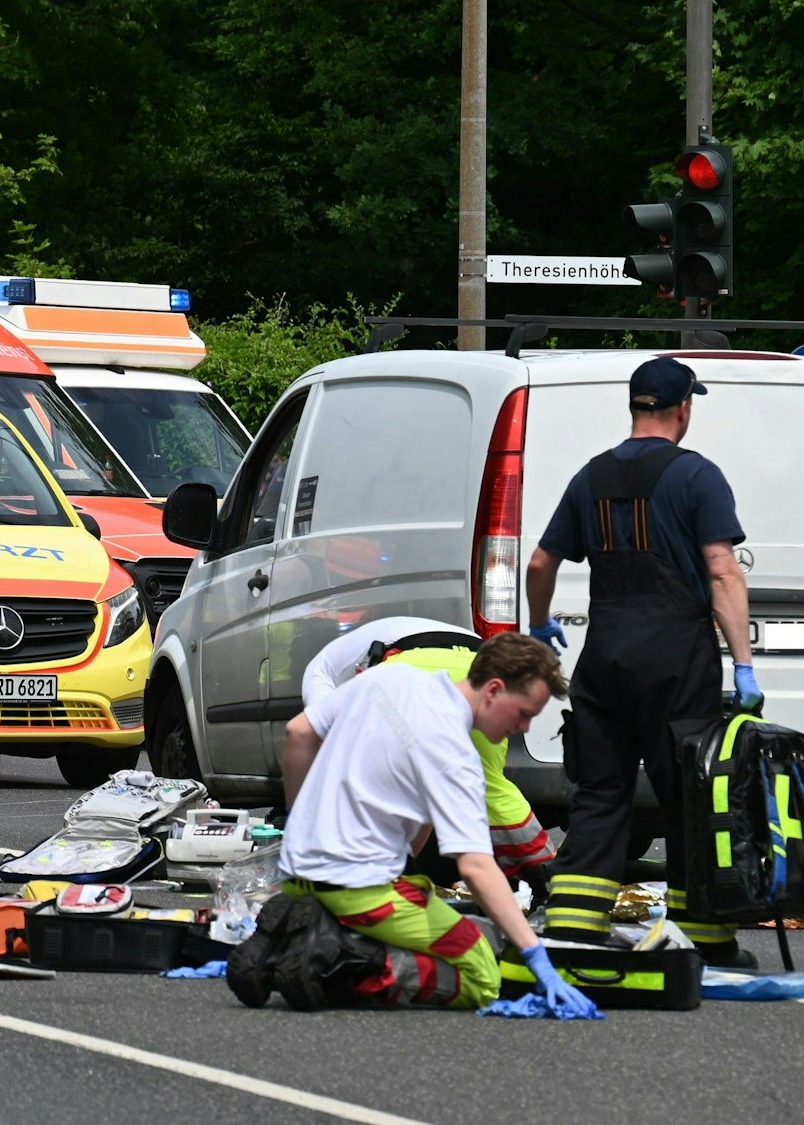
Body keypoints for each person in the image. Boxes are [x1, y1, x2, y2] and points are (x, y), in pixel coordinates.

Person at [524, 355, 756, 966]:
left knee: (600, 790)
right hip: (676, 657)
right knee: (690, 793)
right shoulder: (698, 476)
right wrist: (744, 663)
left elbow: (541, 564)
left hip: (605, 654)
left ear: (635, 407)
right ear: (684, 408)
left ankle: (573, 925)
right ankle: (706, 939)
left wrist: (539, 624)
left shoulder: (590, 477)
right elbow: (721, 571)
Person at [260, 633, 593, 1014]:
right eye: (524, 713)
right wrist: (536, 957)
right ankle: (333, 961)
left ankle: (304, 938)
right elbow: (476, 867)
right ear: (494, 690)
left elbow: (299, 732)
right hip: (360, 889)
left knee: (426, 906)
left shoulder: (390, 678)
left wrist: (301, 823)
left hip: (296, 874)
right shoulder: (455, 754)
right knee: (482, 971)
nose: (525, 728)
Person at [301, 616, 556, 896]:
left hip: (412, 665)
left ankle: (388, 872)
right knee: (490, 784)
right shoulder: (343, 655)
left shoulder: (319, 678)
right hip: (477, 665)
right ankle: (543, 872)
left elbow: (318, 740)